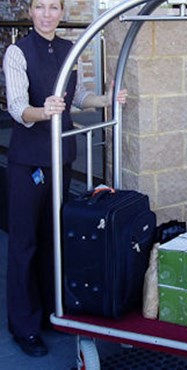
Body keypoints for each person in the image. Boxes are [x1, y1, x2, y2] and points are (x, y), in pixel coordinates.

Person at [3, 0, 127, 357]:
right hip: (29, 163)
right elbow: (16, 107)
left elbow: (78, 97)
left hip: (60, 159)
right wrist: (44, 111)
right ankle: (24, 325)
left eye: (53, 7)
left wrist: (108, 99)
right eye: (39, 6)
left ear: (60, 12)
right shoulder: (17, 52)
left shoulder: (70, 49)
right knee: (24, 245)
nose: (46, 14)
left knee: (54, 239)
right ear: (30, 11)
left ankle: (50, 313)